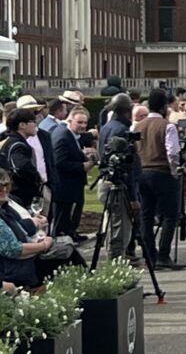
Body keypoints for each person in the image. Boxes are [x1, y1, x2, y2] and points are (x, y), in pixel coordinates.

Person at [133, 89, 185, 269]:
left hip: (142, 172)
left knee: (146, 215)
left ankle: (150, 255)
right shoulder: (167, 126)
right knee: (170, 214)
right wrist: (174, 170)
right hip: (162, 171)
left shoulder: (137, 126)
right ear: (164, 107)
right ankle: (163, 254)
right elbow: (172, 152)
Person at [97, 94, 140, 261]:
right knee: (120, 228)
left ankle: (115, 259)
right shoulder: (121, 130)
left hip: (106, 180)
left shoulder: (106, 127)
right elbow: (127, 166)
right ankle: (116, 261)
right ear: (128, 111)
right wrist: (133, 197)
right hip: (120, 184)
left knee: (112, 224)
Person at [50, 107, 96, 240]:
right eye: (79, 122)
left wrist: (84, 154)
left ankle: (71, 234)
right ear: (70, 121)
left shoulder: (71, 134)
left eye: (85, 123)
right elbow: (59, 162)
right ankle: (63, 239)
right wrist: (82, 166)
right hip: (65, 185)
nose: (83, 126)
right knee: (63, 216)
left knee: (71, 214)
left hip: (72, 184)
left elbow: (72, 152)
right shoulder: (63, 136)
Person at [0, 109, 43, 206]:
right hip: (19, 195)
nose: (35, 124)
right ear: (22, 125)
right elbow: (21, 166)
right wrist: (36, 176)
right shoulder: (17, 144)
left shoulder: (11, 140)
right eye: (33, 121)